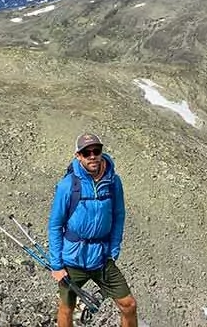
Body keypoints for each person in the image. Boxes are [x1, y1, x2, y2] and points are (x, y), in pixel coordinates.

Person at [48, 133, 137, 327]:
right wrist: (56, 265)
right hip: (72, 258)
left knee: (128, 305)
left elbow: (119, 215)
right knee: (66, 308)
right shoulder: (68, 185)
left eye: (96, 151)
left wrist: (114, 248)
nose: (92, 156)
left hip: (102, 257)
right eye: (86, 152)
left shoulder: (114, 182)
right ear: (78, 156)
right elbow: (55, 225)